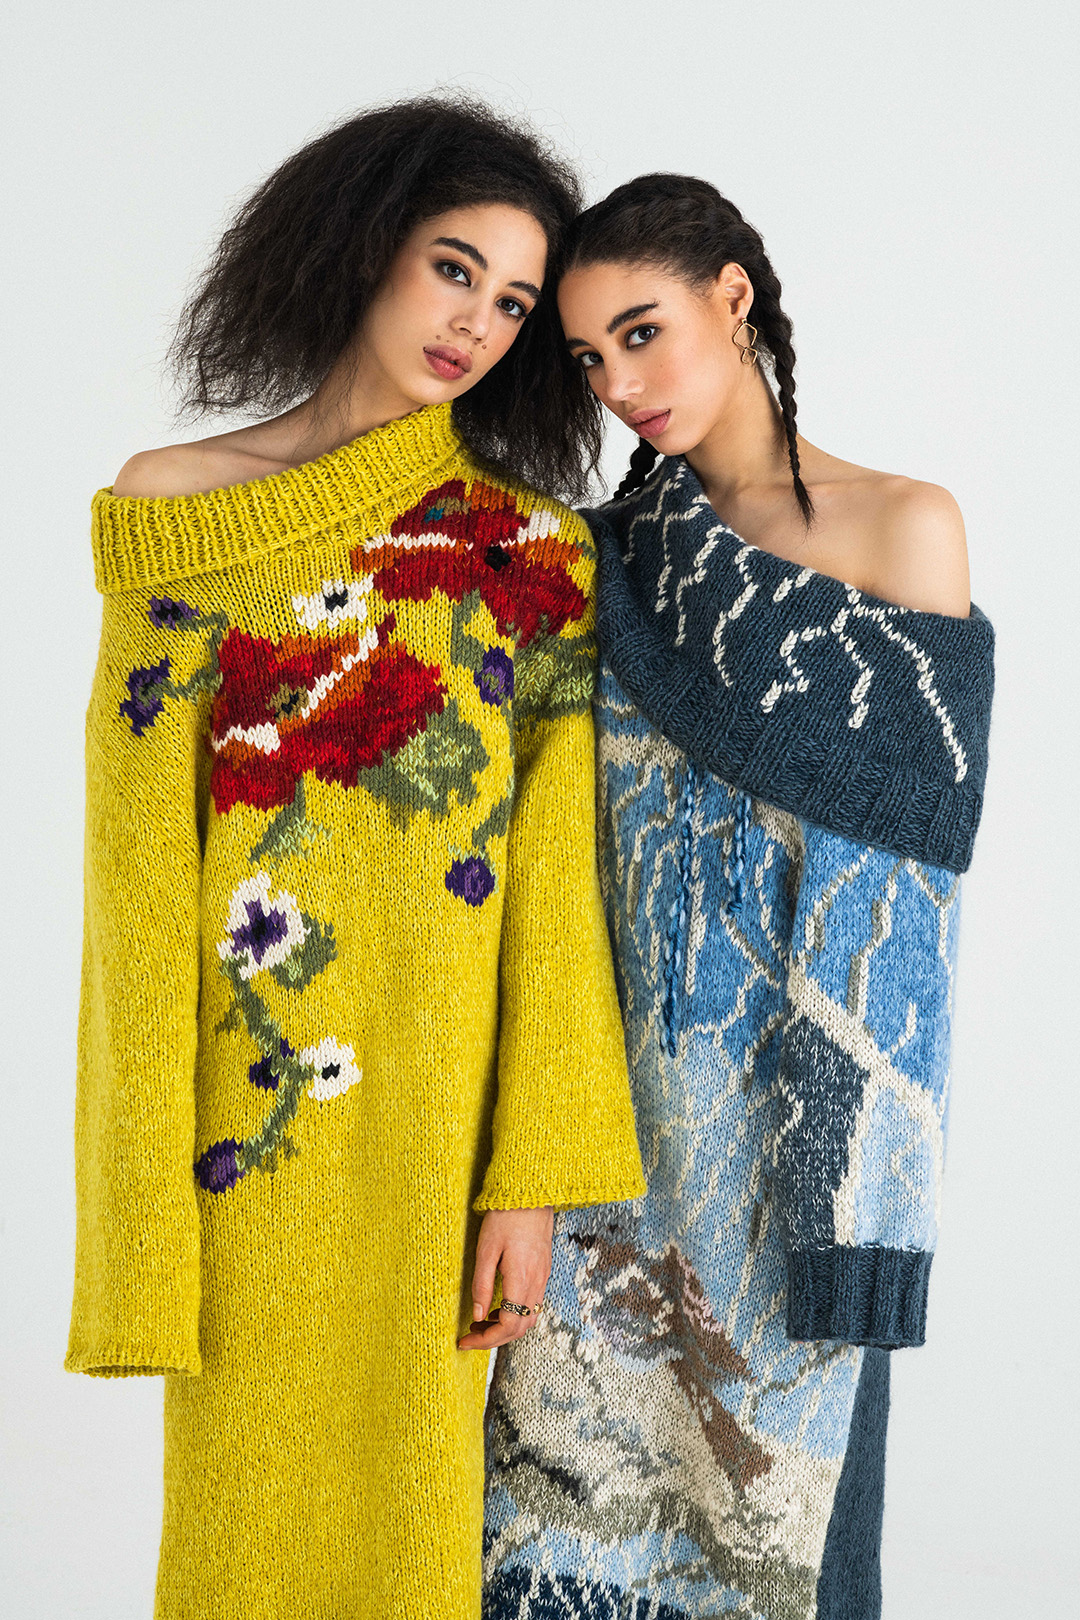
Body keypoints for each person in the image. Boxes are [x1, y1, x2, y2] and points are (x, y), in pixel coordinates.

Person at [66, 97, 646, 1620]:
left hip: (442, 1143)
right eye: (455, 269)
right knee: (237, 1542)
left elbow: (557, 889)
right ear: (363, 244)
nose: (475, 324)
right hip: (252, 1131)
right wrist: (141, 1228)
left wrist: (534, 1178)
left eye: (512, 302)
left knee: (415, 1545)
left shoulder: (533, 554)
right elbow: (136, 891)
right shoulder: (177, 511)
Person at [483, 174, 995, 1620]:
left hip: (792, 1163)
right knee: (556, 1544)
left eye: (642, 333)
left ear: (733, 298)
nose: (619, 384)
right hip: (604, 1141)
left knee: (783, 1553)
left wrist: (863, 1222)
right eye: (588, 358)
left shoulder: (906, 527)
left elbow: (904, 920)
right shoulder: (603, 561)